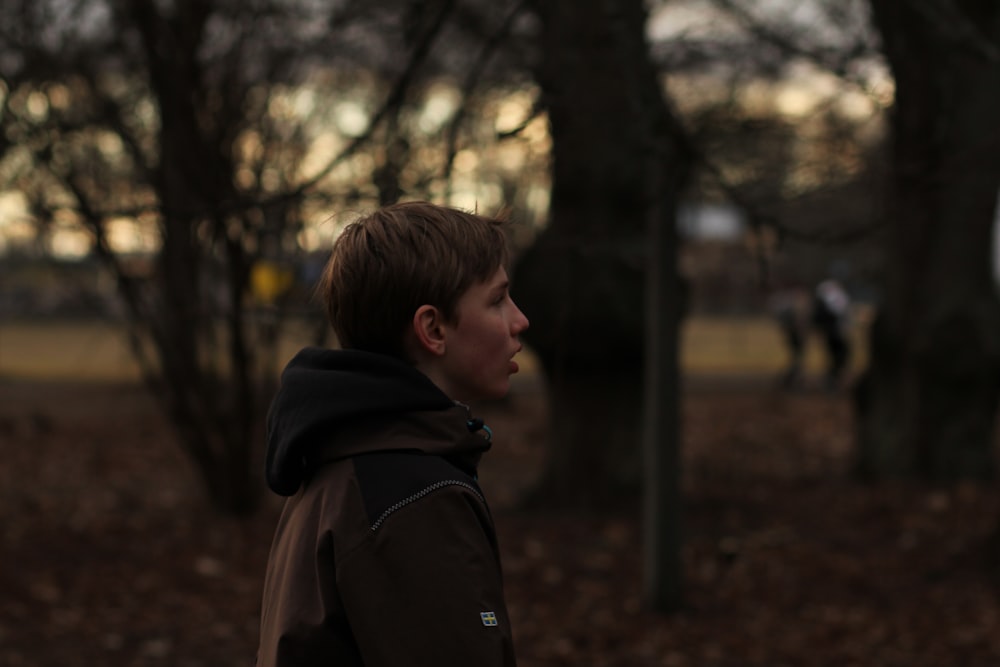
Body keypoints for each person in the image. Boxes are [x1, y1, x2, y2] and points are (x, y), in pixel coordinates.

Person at [257, 201, 529, 667]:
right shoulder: (412, 495)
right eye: (497, 300)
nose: (519, 320)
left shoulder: (342, 456)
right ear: (433, 328)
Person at [812, 278, 852, 390]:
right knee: (839, 357)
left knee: (836, 357)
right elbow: (840, 313)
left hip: (832, 332)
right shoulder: (834, 298)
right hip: (835, 333)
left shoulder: (825, 300)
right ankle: (834, 379)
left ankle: (833, 379)